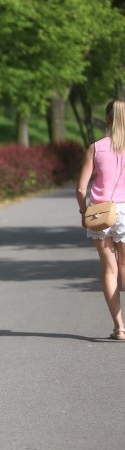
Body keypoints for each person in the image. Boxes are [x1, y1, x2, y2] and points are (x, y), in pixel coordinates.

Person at [77, 99, 125, 339]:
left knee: (109, 268)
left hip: (101, 212)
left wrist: (81, 212)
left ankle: (120, 327)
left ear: (107, 119)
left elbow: (80, 189)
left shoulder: (96, 147)